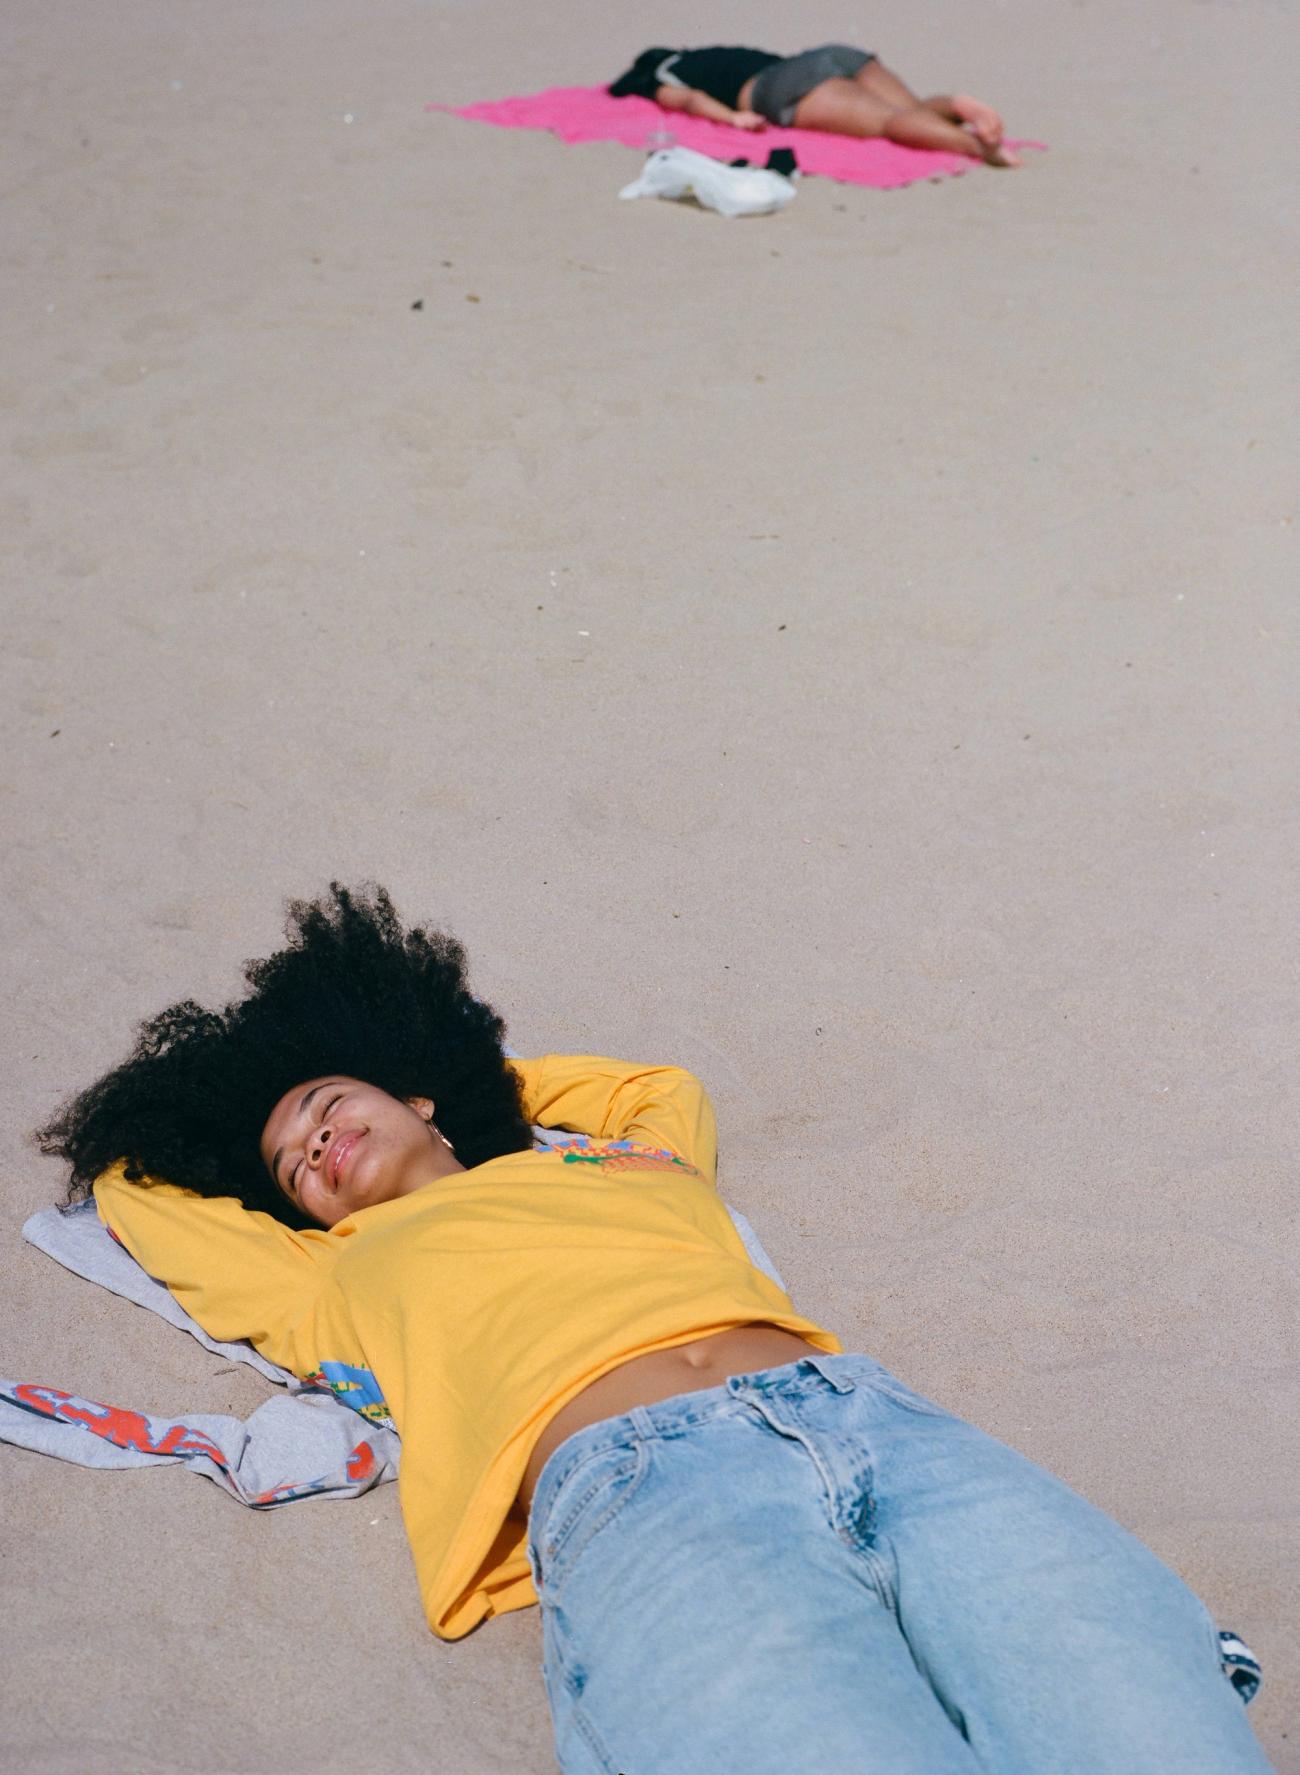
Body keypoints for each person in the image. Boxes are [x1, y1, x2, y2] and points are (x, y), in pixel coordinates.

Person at [38, 885, 1272, 1773]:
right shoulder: (333, 1279)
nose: (310, 1142)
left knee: (1153, 1734)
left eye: (323, 1102)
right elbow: (141, 1187)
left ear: (414, 1091)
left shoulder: (629, 1160)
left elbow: (652, 1083)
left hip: (880, 1426)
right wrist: (316, 1142)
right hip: (643, 1493)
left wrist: (469, 1079)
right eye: (292, 1163)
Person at [609, 43, 1021, 168]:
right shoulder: (702, 54)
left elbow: (691, 100)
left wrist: (732, 116)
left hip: (781, 87)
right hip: (826, 56)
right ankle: (953, 105)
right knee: (912, 111)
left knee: (889, 124)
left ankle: (976, 148)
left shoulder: (659, 77)